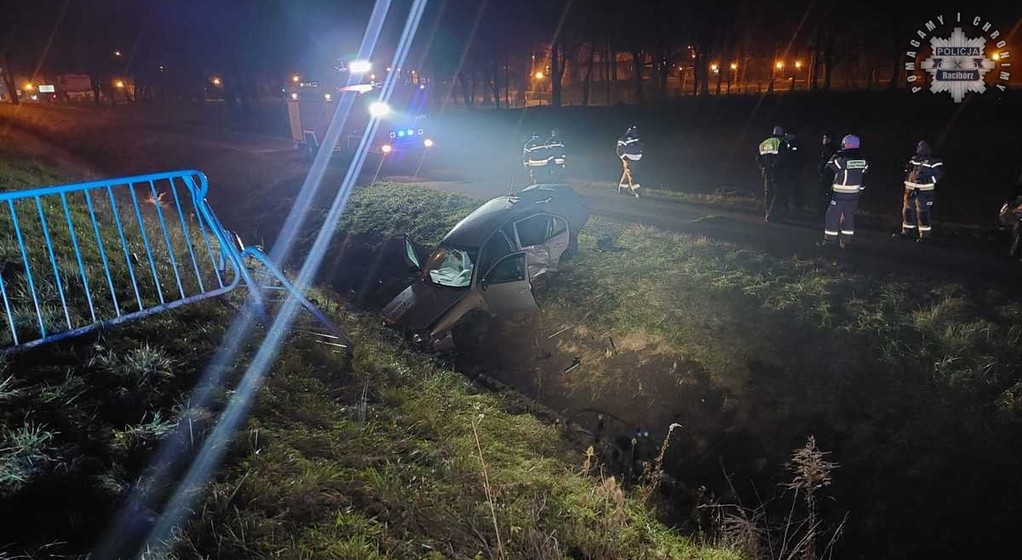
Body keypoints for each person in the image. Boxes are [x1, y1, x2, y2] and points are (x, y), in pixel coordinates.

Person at [821, 134, 869, 249]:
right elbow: (864, 178)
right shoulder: (863, 161)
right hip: (855, 195)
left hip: (839, 194)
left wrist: (833, 156)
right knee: (848, 217)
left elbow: (828, 169)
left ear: (845, 145)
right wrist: (860, 190)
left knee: (832, 216)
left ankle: (829, 242)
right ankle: (846, 242)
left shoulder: (841, 160)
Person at [894, 140, 944, 242]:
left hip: (924, 192)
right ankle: (907, 232)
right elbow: (908, 171)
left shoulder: (934, 161)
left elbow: (938, 175)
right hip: (910, 190)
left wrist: (927, 180)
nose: (917, 148)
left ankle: (925, 236)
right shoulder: (914, 159)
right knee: (907, 211)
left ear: (926, 148)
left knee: (923, 213)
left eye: (920, 146)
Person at [757, 125, 789, 222]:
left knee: (768, 193)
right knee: (779, 193)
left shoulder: (764, 143)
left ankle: (767, 213)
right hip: (778, 172)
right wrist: (774, 167)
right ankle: (772, 214)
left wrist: (763, 167)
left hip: (767, 172)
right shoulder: (781, 143)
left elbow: (758, 157)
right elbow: (782, 158)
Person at [616, 125, 643, 198]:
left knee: (627, 172)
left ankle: (622, 189)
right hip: (628, 159)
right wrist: (624, 159)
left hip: (636, 159)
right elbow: (619, 150)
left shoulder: (637, 137)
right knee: (632, 174)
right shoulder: (623, 138)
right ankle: (637, 191)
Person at [781, 132, 805, 214]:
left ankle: (793, 207)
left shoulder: (793, 146)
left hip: (792, 171)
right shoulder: (790, 145)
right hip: (791, 171)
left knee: (793, 190)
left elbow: (793, 158)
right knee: (791, 190)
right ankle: (791, 207)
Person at [817, 132, 838, 218]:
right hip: (829, 174)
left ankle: (823, 212)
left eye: (825, 138)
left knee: (825, 193)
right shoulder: (832, 148)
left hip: (828, 175)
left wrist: (822, 172)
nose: (823, 140)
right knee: (827, 193)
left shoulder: (828, 148)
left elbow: (825, 162)